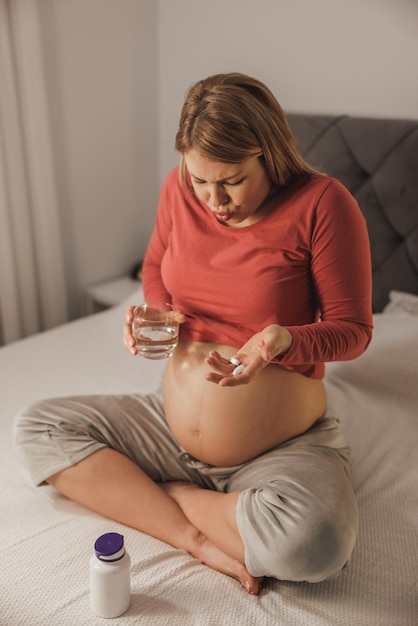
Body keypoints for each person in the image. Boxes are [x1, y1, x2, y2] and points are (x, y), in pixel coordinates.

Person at [14, 73, 373, 595]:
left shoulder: (323, 204)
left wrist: (283, 340)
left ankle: (165, 493)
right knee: (36, 427)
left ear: (268, 155)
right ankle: (192, 531)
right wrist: (155, 316)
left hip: (280, 443)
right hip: (167, 425)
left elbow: (355, 331)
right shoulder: (180, 188)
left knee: (314, 544)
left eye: (230, 181)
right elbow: (156, 266)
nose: (213, 199)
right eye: (200, 179)